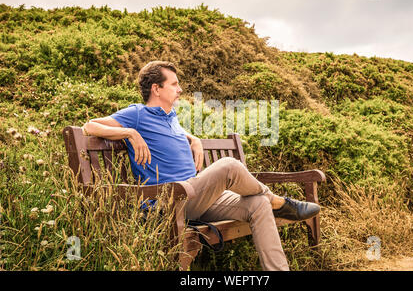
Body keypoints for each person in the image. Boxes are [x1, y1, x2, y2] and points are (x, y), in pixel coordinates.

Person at [82, 60, 320, 271]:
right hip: (173, 200)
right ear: (156, 88)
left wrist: (193, 138)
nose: (180, 89)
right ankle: (279, 202)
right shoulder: (137, 114)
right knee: (228, 164)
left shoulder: (171, 117)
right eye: (174, 84)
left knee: (257, 203)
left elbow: (169, 135)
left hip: (199, 198)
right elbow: (89, 126)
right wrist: (130, 133)